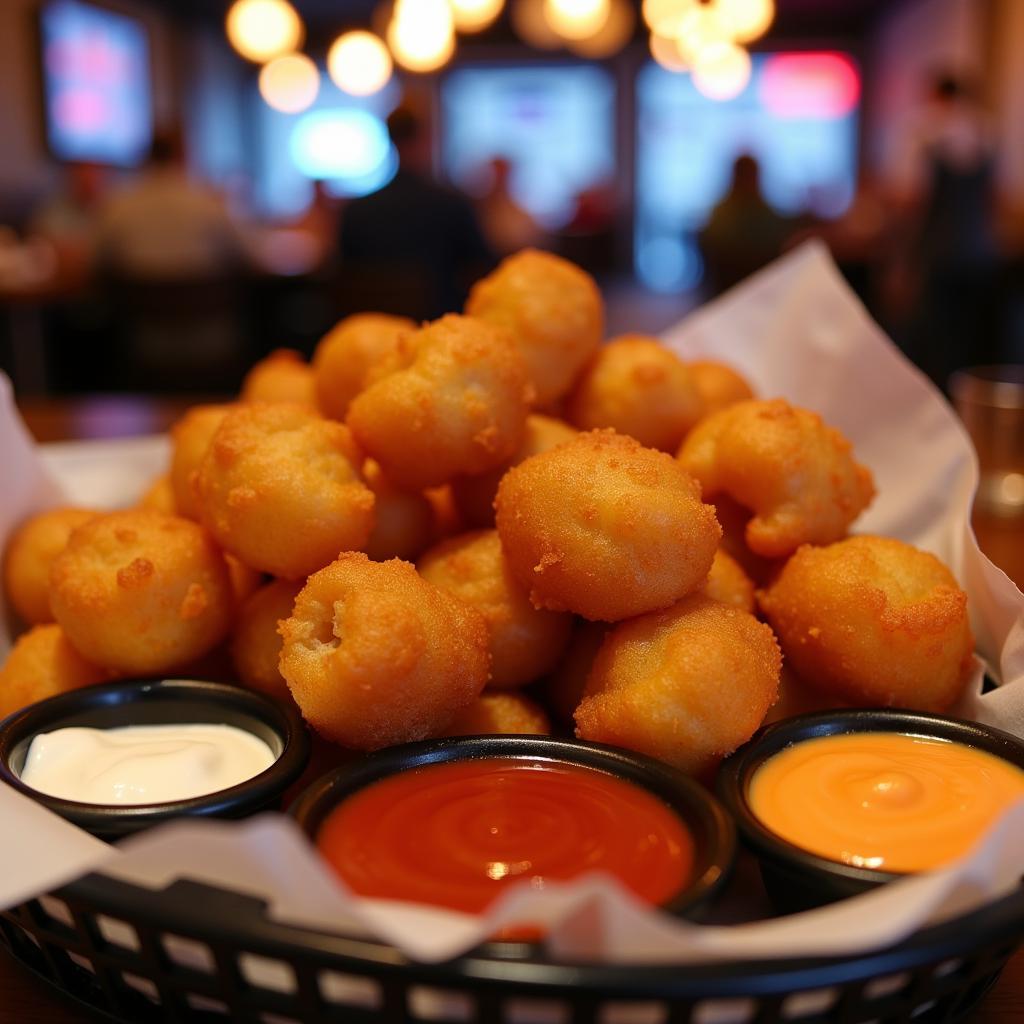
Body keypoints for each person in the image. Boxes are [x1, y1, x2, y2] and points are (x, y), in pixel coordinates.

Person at [894, 73, 1001, 389]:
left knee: (935, 338)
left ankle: (939, 402)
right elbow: (992, 198)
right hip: (980, 252)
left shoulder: (926, 131)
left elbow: (914, 199)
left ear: (936, 95)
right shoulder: (985, 129)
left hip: (936, 252)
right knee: (972, 337)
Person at [338, 104, 495, 320]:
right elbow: (481, 267)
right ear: (426, 140)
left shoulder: (356, 211)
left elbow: (342, 272)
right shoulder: (452, 205)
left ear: (390, 140)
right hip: (438, 329)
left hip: (370, 331)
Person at [94, 131, 246, 281]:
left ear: (145, 160)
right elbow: (242, 254)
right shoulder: (207, 203)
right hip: (203, 304)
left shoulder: (118, 206)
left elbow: (97, 260)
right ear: (181, 157)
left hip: (136, 304)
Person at [698, 154, 791, 296]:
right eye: (746, 174)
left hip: (758, 287)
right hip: (738, 287)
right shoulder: (723, 213)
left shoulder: (765, 213)